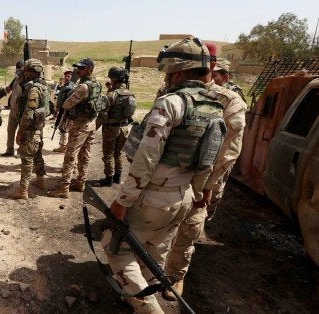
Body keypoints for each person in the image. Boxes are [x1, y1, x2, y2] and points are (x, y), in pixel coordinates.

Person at [102, 37, 223, 313]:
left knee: (115, 246)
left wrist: (122, 201)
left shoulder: (171, 103)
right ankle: (139, 296)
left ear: (178, 72)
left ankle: (148, 308)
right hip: (184, 197)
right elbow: (209, 157)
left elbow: (146, 157)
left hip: (153, 197)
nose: (167, 78)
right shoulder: (213, 106)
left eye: (169, 72)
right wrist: (203, 191)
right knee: (154, 251)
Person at [163, 47, 247, 301]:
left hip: (205, 178)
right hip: (173, 171)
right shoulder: (175, 91)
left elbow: (229, 149)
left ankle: (175, 275)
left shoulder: (230, 100)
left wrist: (207, 186)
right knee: (162, 221)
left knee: (189, 227)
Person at [48, 58, 101, 198]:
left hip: (79, 126)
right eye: (78, 68)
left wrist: (68, 94)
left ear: (89, 68)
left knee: (70, 157)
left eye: (82, 68)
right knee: (85, 155)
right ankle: (80, 183)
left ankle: (64, 188)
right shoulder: (97, 84)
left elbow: (67, 105)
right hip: (91, 124)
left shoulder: (83, 87)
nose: (79, 70)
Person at [6, 59, 48, 199]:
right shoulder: (43, 86)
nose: (24, 73)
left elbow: (29, 112)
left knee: (27, 159)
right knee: (37, 155)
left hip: (30, 130)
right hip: (38, 129)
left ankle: (23, 191)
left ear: (33, 72)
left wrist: (21, 131)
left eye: (26, 70)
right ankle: (40, 181)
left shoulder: (34, 89)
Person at [98, 67, 136, 186]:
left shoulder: (112, 94)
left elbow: (102, 111)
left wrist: (99, 125)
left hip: (111, 128)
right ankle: (117, 177)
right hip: (125, 128)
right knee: (118, 153)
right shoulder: (131, 94)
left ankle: (108, 178)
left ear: (113, 79)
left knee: (108, 154)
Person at [0, 60, 24, 157]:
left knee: (21, 132)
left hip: (21, 111)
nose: (18, 70)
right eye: (17, 68)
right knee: (10, 130)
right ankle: (10, 149)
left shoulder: (27, 81)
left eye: (20, 68)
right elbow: (9, 88)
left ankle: (20, 150)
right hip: (13, 110)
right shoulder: (16, 79)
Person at [52, 69, 73, 153]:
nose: (67, 77)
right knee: (62, 127)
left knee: (63, 128)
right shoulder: (65, 86)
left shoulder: (70, 87)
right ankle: (64, 145)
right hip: (62, 109)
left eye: (69, 76)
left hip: (66, 110)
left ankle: (63, 146)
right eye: (66, 76)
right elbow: (60, 98)